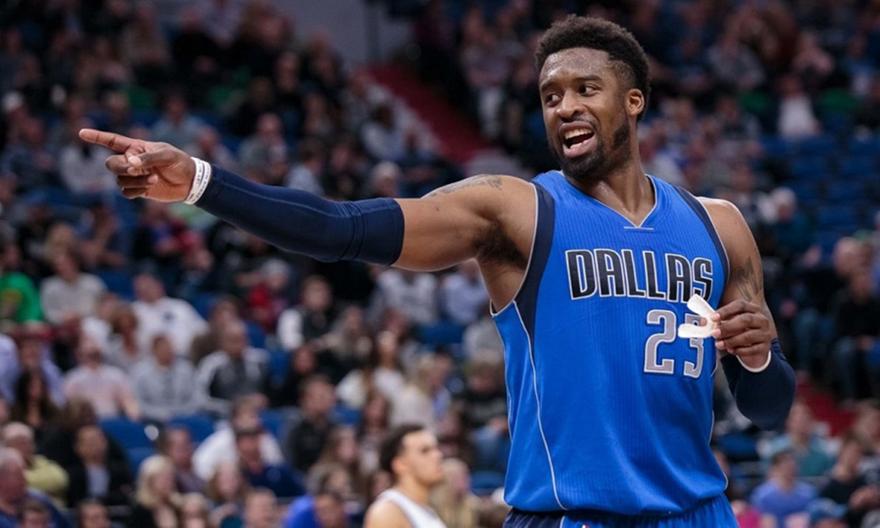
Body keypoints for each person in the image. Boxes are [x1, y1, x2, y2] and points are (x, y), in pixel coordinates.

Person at [81, 14, 796, 527]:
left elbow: (767, 407)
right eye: (551, 96)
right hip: (570, 514)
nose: (565, 107)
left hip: (699, 511)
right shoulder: (515, 210)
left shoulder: (719, 225)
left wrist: (760, 356)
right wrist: (202, 182)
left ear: (633, 100)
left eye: (586, 89)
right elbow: (340, 228)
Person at [364, 424, 446, 528]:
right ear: (400, 464)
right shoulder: (387, 513)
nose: (438, 455)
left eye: (436, 449)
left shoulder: (425, 509)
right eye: (425, 451)